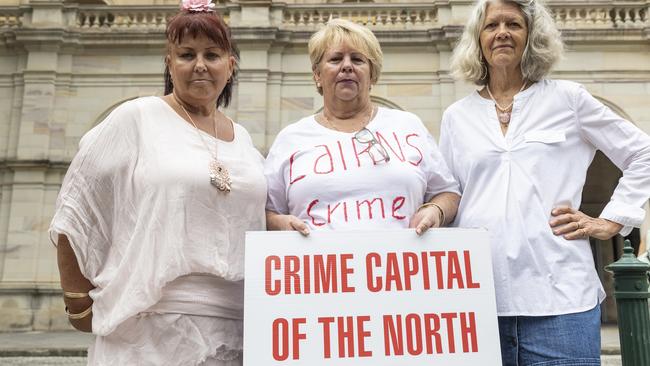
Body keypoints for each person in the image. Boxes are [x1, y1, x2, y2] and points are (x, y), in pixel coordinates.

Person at [49, 1, 265, 364]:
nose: (199, 65)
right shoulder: (137, 118)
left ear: (230, 65)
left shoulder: (243, 139)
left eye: (212, 54)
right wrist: (77, 302)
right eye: (186, 54)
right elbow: (76, 207)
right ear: (169, 63)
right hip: (148, 330)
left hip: (236, 330)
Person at [440, 0, 650, 364]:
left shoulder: (567, 99)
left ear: (531, 36)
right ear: (478, 39)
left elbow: (642, 153)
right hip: (478, 301)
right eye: (491, 26)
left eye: (514, 24)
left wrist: (610, 220)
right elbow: (448, 194)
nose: (502, 32)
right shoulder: (456, 117)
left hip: (561, 303)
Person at [265, 19, 460, 234]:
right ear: (317, 75)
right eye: (335, 59)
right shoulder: (290, 138)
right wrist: (278, 224)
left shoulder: (408, 125)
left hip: (400, 264)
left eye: (357, 60)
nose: (346, 66)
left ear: (372, 75)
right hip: (321, 266)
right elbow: (266, 210)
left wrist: (436, 210)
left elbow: (448, 193)